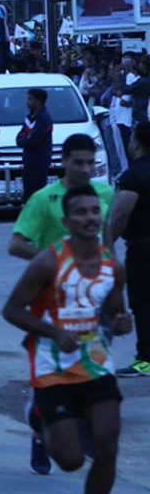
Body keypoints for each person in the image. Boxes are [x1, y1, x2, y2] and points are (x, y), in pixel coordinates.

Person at [2, 184, 131, 494]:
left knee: (108, 446)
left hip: (95, 364)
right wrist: (54, 332)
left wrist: (121, 321)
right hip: (52, 368)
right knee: (71, 461)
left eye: (95, 211)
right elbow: (12, 310)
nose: (90, 218)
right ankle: (37, 417)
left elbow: (113, 312)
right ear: (67, 221)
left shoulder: (113, 266)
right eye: (82, 212)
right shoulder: (47, 262)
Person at [9, 133, 115, 472]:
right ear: (63, 162)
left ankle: (81, 420)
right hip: (52, 303)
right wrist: (55, 261)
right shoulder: (44, 198)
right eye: (77, 162)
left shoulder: (105, 194)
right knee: (52, 368)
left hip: (93, 300)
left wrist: (109, 275)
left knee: (95, 363)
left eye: (90, 162)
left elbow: (107, 240)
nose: (85, 169)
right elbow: (15, 244)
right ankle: (40, 423)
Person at [105, 121, 150, 378]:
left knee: (144, 303)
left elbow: (122, 213)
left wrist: (107, 243)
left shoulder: (133, 176)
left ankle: (146, 359)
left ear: (137, 143)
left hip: (143, 249)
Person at [17, 88, 53, 200]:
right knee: (27, 194)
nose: (27, 102)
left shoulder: (44, 119)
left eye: (30, 99)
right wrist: (25, 138)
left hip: (38, 162)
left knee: (37, 194)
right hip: (28, 161)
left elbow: (33, 140)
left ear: (38, 101)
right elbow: (20, 137)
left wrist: (26, 139)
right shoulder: (30, 117)